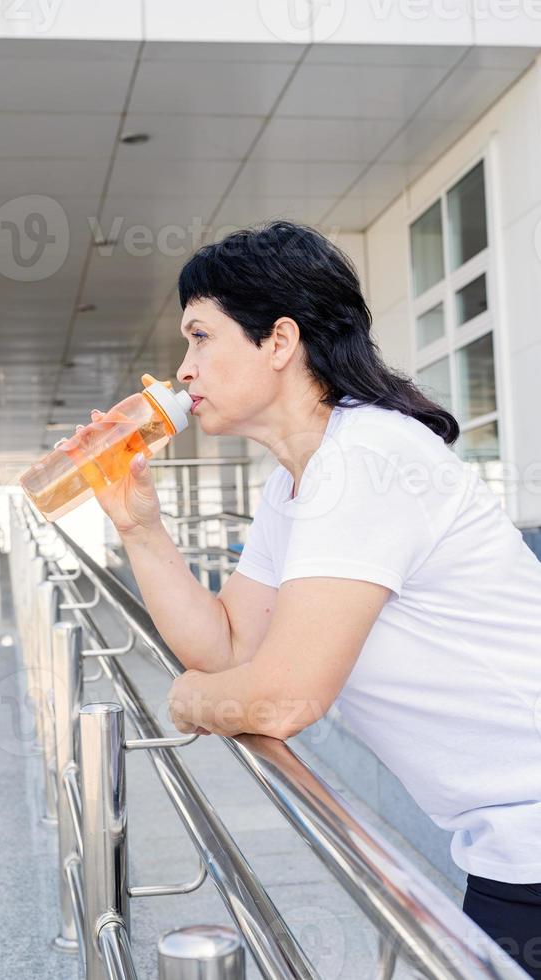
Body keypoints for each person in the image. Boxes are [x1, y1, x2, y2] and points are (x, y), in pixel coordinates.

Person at [88, 221, 541, 978]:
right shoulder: (297, 481)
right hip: (510, 848)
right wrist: (140, 528)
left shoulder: (367, 459)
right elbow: (230, 645)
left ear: (279, 341)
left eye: (201, 338)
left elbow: (278, 701)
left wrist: (192, 702)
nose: (184, 369)